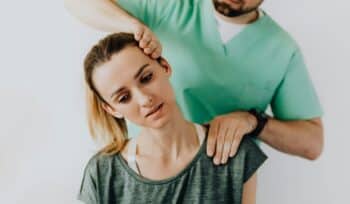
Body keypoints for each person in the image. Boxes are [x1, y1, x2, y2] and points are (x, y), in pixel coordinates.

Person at [65, 0, 324, 163]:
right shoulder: (170, 7)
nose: (145, 99)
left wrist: (254, 121)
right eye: (124, 96)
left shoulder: (282, 49)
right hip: (146, 168)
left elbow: (312, 144)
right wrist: (132, 25)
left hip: (218, 178)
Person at [79, 32, 267, 204]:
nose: (145, 99)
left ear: (165, 67)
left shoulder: (235, 153)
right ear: (112, 110)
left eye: (146, 78)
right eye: (124, 98)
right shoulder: (102, 172)